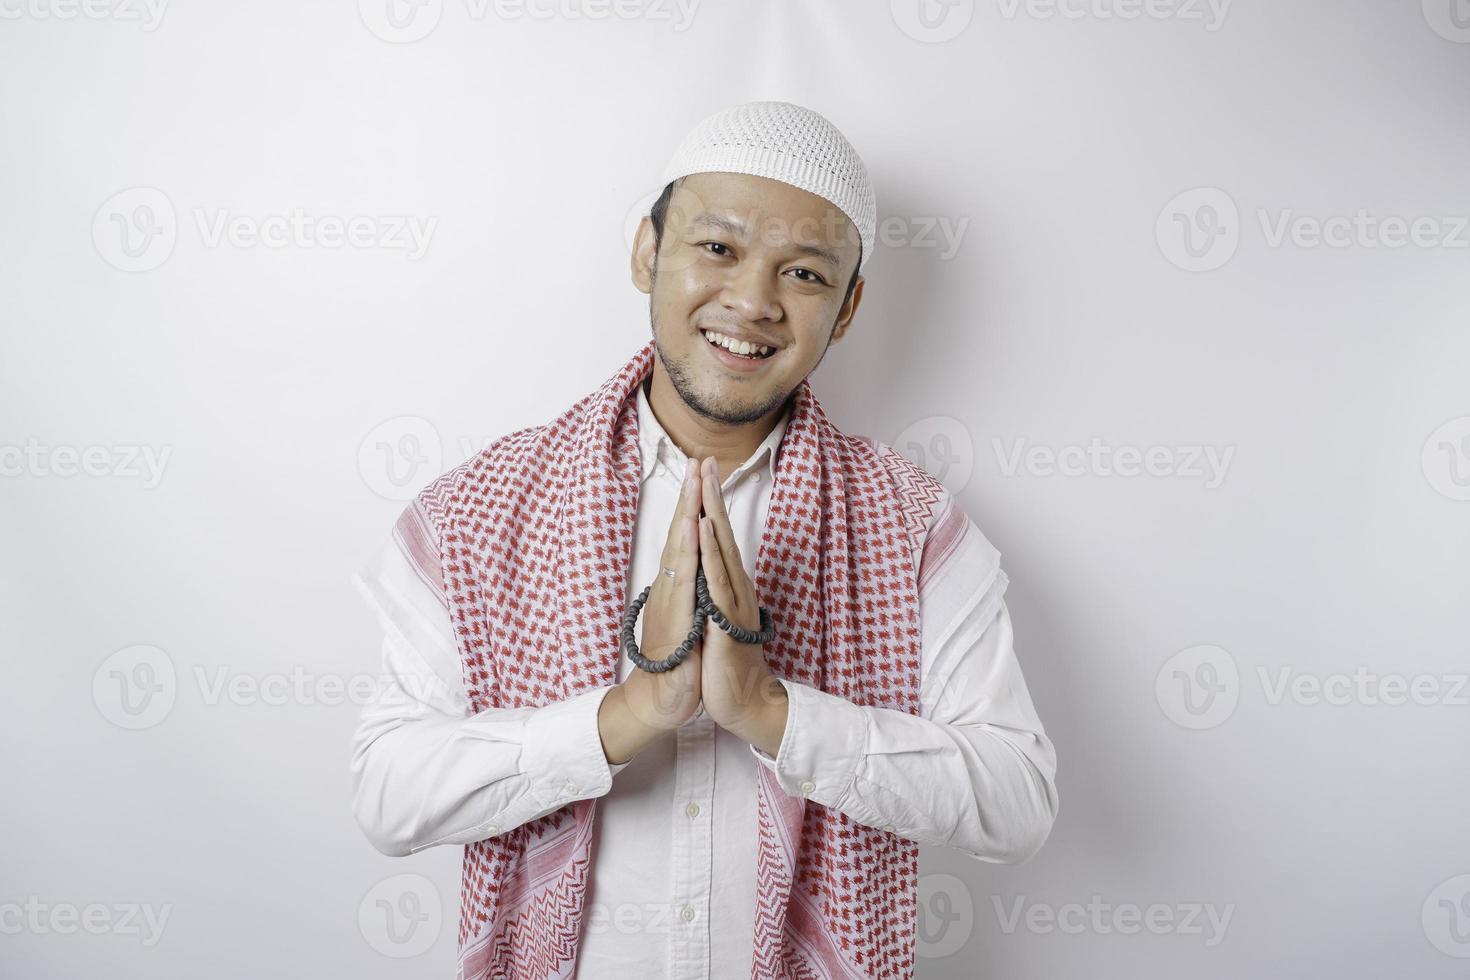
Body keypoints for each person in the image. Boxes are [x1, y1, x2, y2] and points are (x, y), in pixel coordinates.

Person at [349, 100, 1059, 980]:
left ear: (847, 309)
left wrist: (774, 714)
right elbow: (386, 797)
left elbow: (1020, 799)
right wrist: (629, 714)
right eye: (717, 249)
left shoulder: (909, 525)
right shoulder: (483, 511)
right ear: (649, 253)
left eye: (803, 273)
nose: (752, 302)